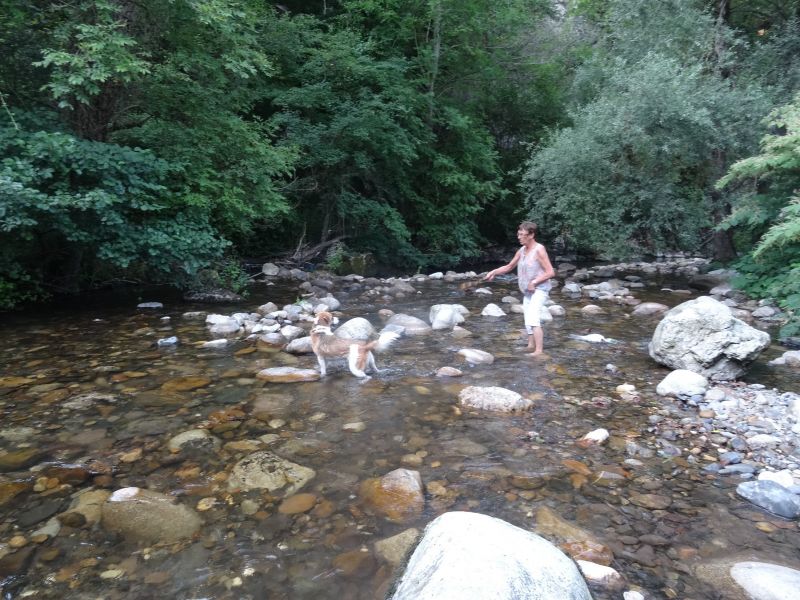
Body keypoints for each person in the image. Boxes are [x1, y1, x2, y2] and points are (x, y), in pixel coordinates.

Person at [484, 221, 555, 355]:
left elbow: (550, 272)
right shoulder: (522, 250)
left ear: (531, 235)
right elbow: (509, 267)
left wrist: (534, 282)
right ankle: (530, 345)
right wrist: (493, 272)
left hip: (540, 289)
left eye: (522, 234)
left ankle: (539, 351)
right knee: (528, 318)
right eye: (518, 234)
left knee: (533, 318)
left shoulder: (539, 249)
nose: (519, 237)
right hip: (527, 291)